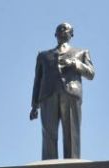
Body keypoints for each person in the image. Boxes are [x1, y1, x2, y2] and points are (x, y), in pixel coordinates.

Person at [30, 22, 95, 160]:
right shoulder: (43, 55)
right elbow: (37, 80)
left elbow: (91, 73)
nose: (62, 30)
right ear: (55, 34)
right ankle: (48, 165)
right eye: (59, 29)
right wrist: (34, 105)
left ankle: (72, 163)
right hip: (47, 96)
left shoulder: (81, 52)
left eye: (66, 29)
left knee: (71, 132)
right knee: (48, 133)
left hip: (71, 94)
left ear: (72, 34)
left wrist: (75, 63)